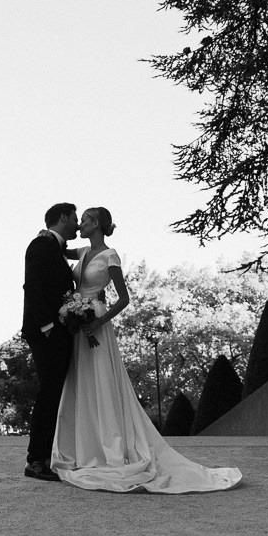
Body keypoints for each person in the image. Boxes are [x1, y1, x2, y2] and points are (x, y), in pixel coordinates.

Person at [50, 207, 243, 493]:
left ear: (96, 224)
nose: (80, 225)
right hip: (81, 323)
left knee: (101, 383)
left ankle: (110, 447)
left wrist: (98, 322)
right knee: (82, 382)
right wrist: (49, 235)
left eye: (85, 221)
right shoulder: (81, 253)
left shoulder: (110, 256)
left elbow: (124, 298)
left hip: (96, 322)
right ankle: (84, 446)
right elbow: (57, 250)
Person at [21, 202, 78, 481]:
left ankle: (45, 456)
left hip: (57, 329)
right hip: (47, 331)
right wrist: (47, 326)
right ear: (63, 217)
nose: (78, 223)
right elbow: (33, 286)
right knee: (49, 392)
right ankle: (35, 460)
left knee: (55, 392)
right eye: (75, 218)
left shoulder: (54, 246)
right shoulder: (40, 245)